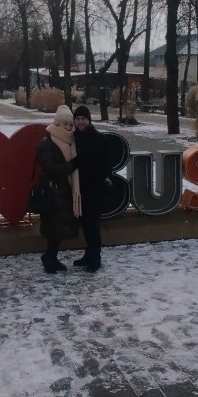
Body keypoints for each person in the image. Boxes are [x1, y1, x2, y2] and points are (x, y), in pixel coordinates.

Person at [35, 103, 81, 273]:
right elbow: (50, 168)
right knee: (54, 229)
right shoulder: (47, 142)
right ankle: (49, 258)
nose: (68, 127)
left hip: (65, 191)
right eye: (64, 123)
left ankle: (51, 257)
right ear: (57, 123)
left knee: (59, 229)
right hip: (53, 192)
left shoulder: (71, 141)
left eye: (70, 124)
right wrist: (72, 165)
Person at [72, 103, 110, 272]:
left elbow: (106, 166)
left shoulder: (99, 139)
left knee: (92, 225)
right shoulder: (73, 139)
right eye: (77, 119)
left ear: (89, 120)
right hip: (79, 191)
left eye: (83, 119)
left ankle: (95, 258)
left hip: (94, 191)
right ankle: (89, 255)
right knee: (86, 226)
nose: (80, 122)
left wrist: (95, 180)